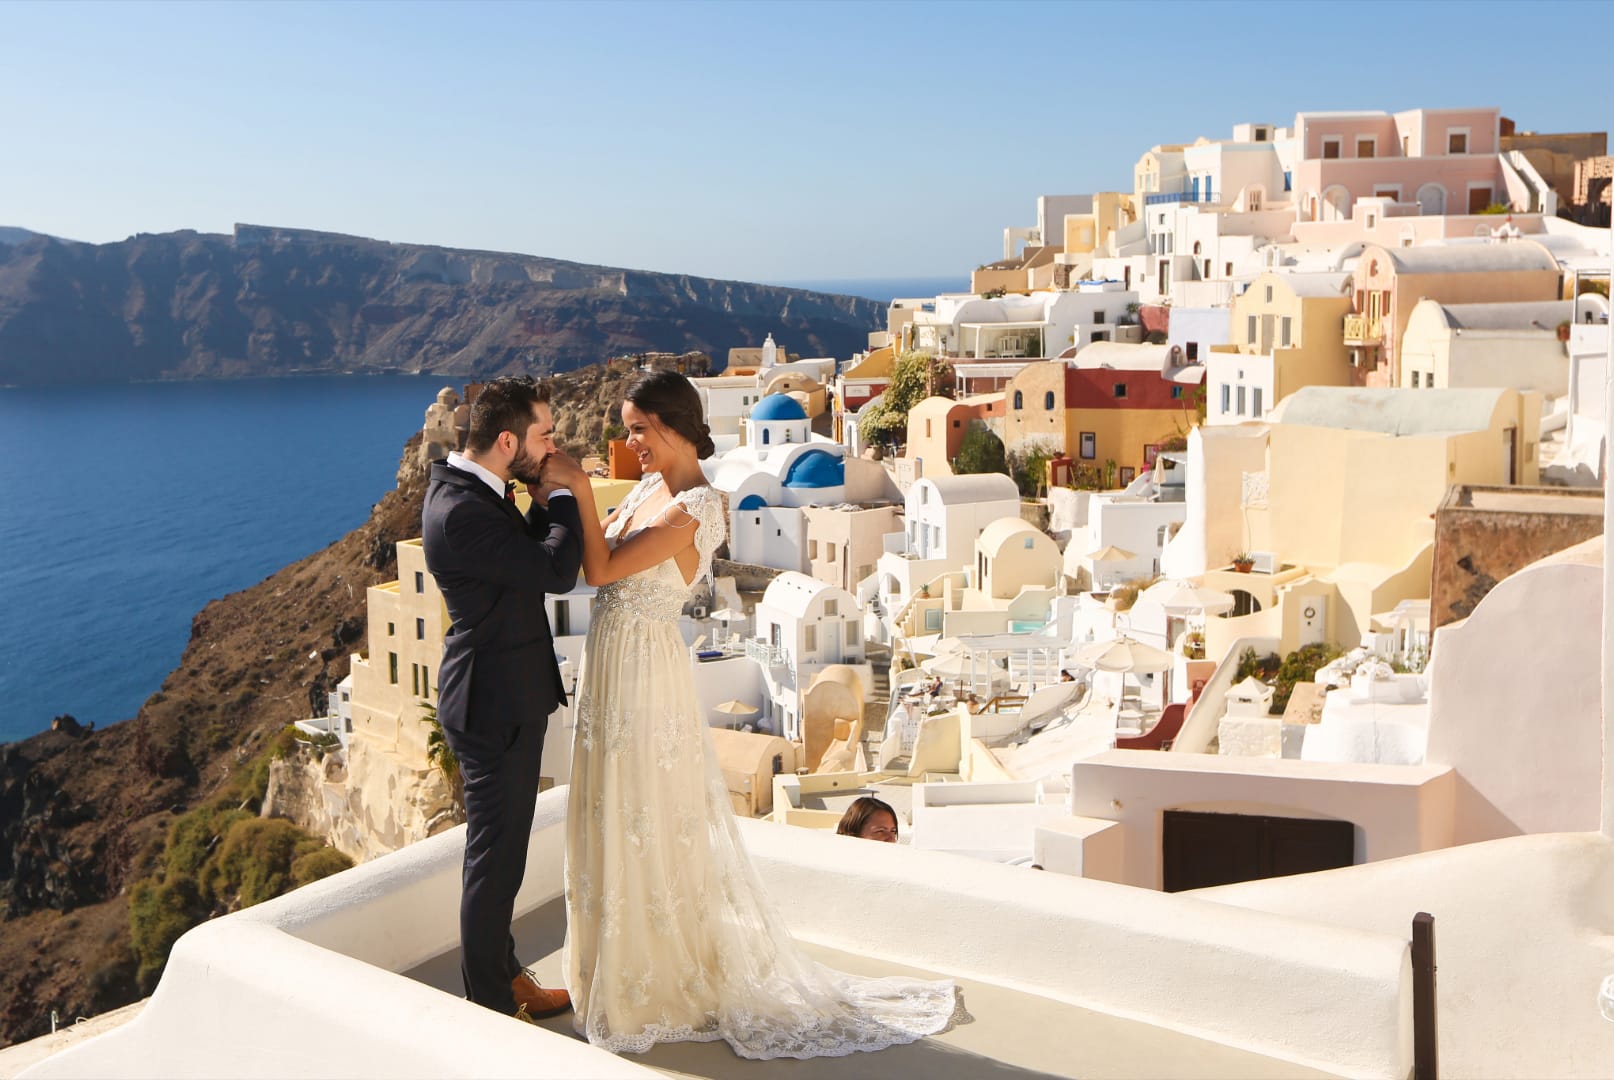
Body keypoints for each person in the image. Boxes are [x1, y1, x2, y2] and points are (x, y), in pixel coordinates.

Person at [544, 370, 956, 1059]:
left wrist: (580, 488)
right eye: (627, 428)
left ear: (674, 427)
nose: (629, 441)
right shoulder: (648, 489)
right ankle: (608, 968)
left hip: (645, 673)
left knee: (646, 812)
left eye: (639, 428)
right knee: (610, 808)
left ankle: (655, 979)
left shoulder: (703, 506)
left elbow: (602, 571)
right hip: (611, 668)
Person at [420, 376, 581, 1024]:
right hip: (492, 707)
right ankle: (486, 1003)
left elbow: (524, 556)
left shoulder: (474, 491)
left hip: (504, 696)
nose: (551, 446)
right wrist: (566, 495)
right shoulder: (461, 510)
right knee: (494, 859)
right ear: (507, 440)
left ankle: (507, 975)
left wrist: (544, 499)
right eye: (543, 435)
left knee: (505, 854)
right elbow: (552, 571)